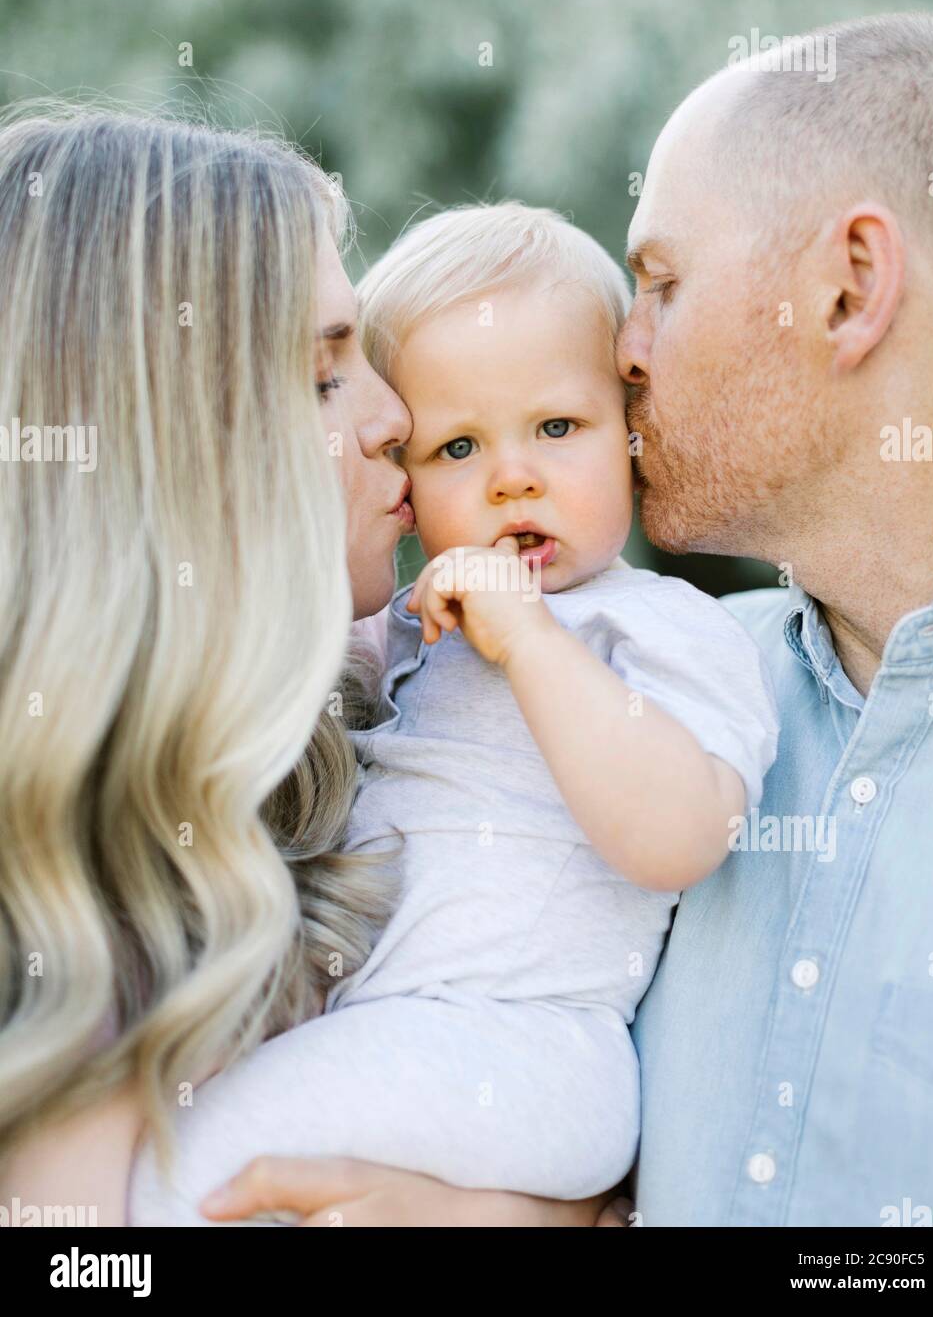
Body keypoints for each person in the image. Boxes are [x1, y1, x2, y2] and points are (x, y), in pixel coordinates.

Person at [197, 11, 933, 1228]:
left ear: (851, 288)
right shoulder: (726, 682)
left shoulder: (660, 669)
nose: (624, 346)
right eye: (456, 440)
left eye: (663, 282)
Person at [126, 203, 778, 1223]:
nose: (515, 473)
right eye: (459, 445)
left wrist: (531, 644)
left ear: (631, 432)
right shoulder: (402, 631)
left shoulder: (658, 630)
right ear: (404, 481)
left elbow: (682, 835)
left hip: (526, 1044)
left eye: (558, 428)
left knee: (189, 1170)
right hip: (393, 1030)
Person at [0, 102, 411, 1224]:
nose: (396, 420)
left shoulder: (366, 738)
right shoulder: (84, 945)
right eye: (325, 377)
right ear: (171, 458)